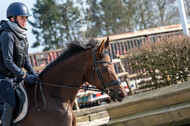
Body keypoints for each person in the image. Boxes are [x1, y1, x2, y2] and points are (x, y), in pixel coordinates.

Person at [0, 2, 37, 126]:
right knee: (11, 102)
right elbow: (8, 61)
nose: (25, 20)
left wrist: (33, 74)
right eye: (22, 18)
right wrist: (25, 76)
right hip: (3, 78)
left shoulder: (23, 35)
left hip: (15, 77)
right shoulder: (7, 35)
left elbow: (25, 60)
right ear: (13, 18)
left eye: (26, 18)